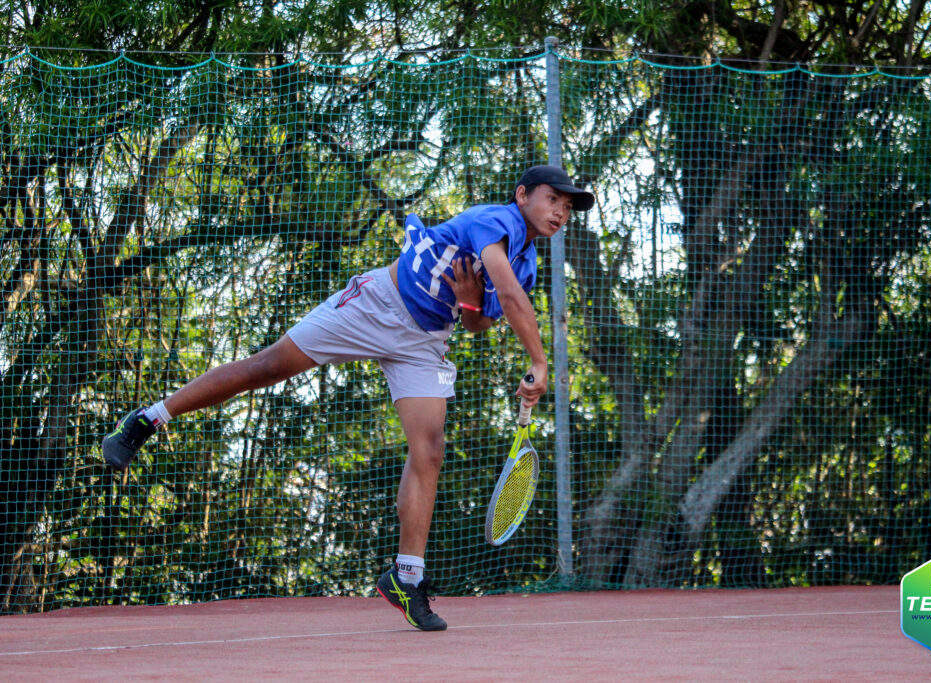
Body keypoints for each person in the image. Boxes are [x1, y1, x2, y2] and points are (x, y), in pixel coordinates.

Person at [101, 165, 595, 631]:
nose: (558, 212)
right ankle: (146, 419)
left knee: (430, 448)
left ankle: (406, 577)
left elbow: (479, 320)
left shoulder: (527, 262)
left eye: (567, 208)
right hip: (378, 303)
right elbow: (508, 295)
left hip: (424, 341)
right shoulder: (496, 220)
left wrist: (468, 300)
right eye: (552, 200)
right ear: (523, 197)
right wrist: (540, 361)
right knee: (266, 368)